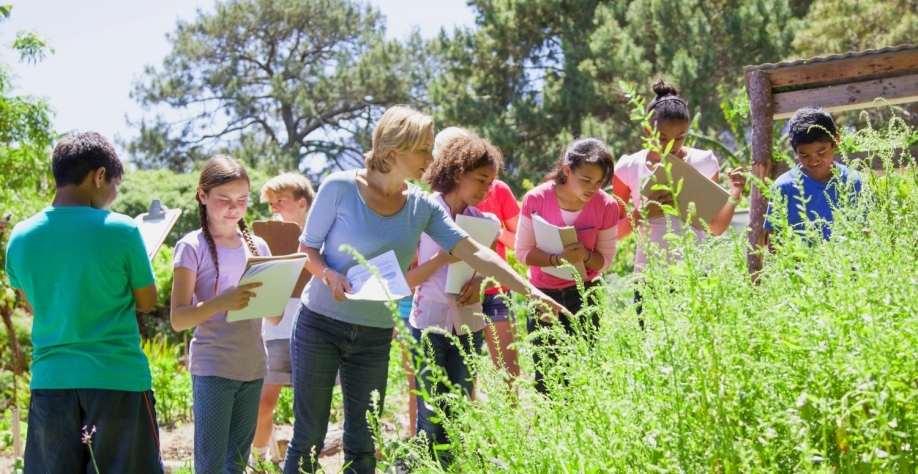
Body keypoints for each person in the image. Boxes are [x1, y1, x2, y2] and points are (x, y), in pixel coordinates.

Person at [284, 105, 563, 474]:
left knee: (364, 443)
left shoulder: (420, 206)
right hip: (319, 324)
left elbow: (475, 251)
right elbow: (307, 247)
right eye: (423, 150)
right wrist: (329, 276)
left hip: (374, 334)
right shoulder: (339, 187)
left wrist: (532, 291)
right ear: (394, 149)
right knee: (308, 437)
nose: (431, 159)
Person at [5, 132, 164, 472]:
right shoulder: (123, 231)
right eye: (115, 186)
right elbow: (147, 301)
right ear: (99, 175)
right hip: (117, 380)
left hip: (51, 383)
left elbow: (36, 305)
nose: (113, 196)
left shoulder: (20, 235)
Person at [170, 155, 278, 474]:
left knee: (238, 463)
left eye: (242, 200)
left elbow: (273, 317)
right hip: (214, 367)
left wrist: (274, 296)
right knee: (211, 463)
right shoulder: (192, 246)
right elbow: (178, 319)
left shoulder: (258, 246)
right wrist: (222, 301)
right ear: (203, 196)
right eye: (224, 199)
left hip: (254, 366)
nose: (234, 207)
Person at [612, 79, 746, 324]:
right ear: (647, 131)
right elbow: (613, 233)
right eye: (662, 138)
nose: (671, 146)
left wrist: (735, 192)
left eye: (680, 137)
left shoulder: (705, 161)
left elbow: (715, 228)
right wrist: (643, 214)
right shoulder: (627, 167)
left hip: (696, 274)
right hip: (649, 278)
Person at [404, 133, 503, 455]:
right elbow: (407, 277)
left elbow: (487, 268)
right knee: (430, 411)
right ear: (458, 173)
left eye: (490, 182)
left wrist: (478, 284)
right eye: (481, 180)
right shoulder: (423, 209)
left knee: (459, 407)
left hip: (469, 324)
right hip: (428, 321)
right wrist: (441, 259)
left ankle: (451, 463)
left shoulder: (486, 222)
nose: (486, 189)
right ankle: (426, 462)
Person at [515, 137, 620, 395]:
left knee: (583, 370)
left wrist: (584, 255)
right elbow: (522, 252)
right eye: (586, 180)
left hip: (585, 294)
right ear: (566, 170)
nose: (593, 188)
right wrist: (557, 260)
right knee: (547, 374)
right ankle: (550, 430)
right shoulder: (536, 199)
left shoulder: (607, 206)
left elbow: (605, 261)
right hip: (543, 295)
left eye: (599, 183)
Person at [252, 172, 315, 463]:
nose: (275, 207)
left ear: (301, 203)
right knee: (265, 402)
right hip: (275, 331)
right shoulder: (263, 241)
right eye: (272, 202)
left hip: (314, 329)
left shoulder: (321, 236)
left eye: (281, 201)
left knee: (310, 404)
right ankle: (258, 460)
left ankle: (303, 461)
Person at [763, 107, 863, 245]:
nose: (814, 161)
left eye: (821, 152)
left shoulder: (855, 181)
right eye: (804, 155)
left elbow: (867, 231)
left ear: (836, 141)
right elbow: (775, 244)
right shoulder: (784, 187)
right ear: (795, 151)